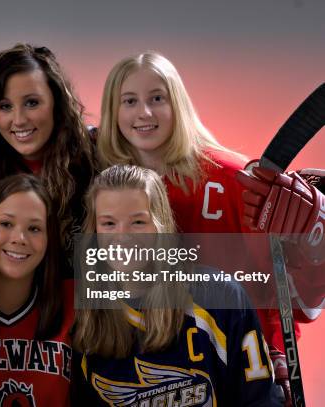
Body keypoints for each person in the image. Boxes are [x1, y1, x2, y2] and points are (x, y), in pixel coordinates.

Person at [95, 51, 306, 401]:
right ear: (112, 111)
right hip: (155, 366)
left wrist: (278, 349)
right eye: (129, 101)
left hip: (233, 357)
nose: (144, 113)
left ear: (177, 103)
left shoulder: (234, 177)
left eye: (157, 98)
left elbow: (273, 277)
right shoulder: (108, 186)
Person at [72, 164, 278, 406]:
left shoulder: (219, 297)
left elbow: (261, 400)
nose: (122, 236)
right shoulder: (87, 322)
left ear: (161, 227)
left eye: (138, 222)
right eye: (108, 224)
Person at [0, 43, 96, 261]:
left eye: (32, 103)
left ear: (56, 103)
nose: (20, 120)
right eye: (5, 106)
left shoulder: (95, 163)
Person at [0, 174, 74, 406]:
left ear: (49, 239)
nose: (19, 238)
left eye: (34, 228)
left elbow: (153, 282)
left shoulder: (73, 296)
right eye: (6, 224)